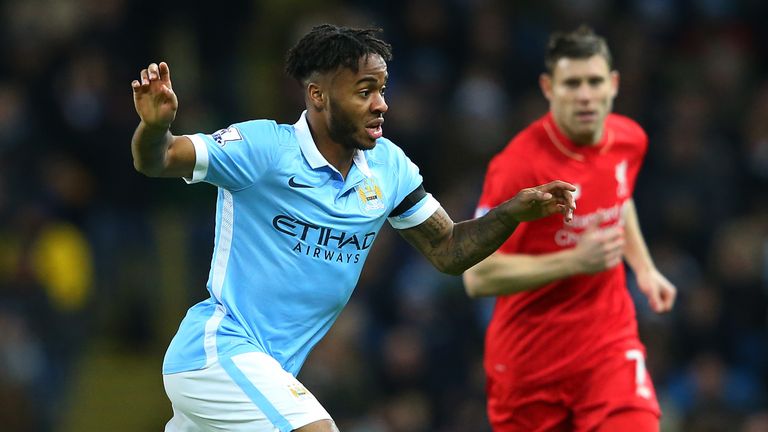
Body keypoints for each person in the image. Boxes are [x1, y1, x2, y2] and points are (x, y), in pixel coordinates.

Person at [130, 24, 575, 432]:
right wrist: (154, 128)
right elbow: (159, 158)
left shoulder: (388, 167)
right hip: (217, 353)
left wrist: (512, 212)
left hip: (268, 371)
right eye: (365, 91)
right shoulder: (263, 148)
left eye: (382, 89)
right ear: (318, 95)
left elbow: (449, 249)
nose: (381, 103)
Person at [463, 26, 677, 432]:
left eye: (594, 81)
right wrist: (575, 261)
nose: (584, 95)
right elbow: (477, 276)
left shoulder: (630, 140)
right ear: (548, 87)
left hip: (608, 346)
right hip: (529, 364)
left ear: (613, 84)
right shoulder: (517, 167)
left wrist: (644, 268)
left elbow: (619, 199)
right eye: (572, 83)